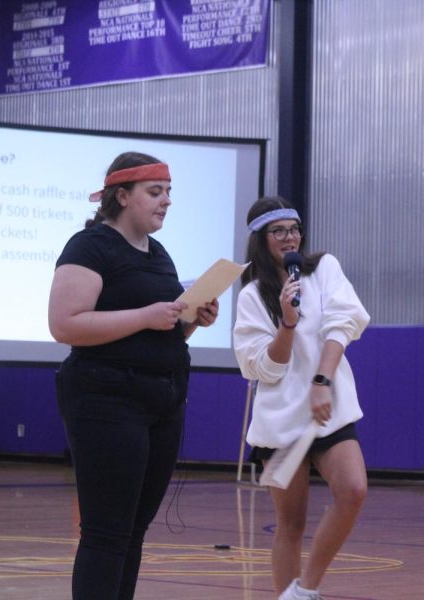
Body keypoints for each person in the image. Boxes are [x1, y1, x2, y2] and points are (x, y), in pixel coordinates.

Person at [47, 152, 219, 600]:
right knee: (106, 532)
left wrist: (194, 318)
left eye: (168, 193)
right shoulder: (89, 247)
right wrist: (145, 315)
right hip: (106, 400)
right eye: (155, 192)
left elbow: (166, 328)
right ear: (121, 196)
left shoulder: (158, 254)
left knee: (133, 532)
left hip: (159, 403)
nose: (166, 202)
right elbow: (65, 325)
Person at [232, 196, 370, 600]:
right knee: (290, 524)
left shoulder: (324, 269)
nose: (290, 237)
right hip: (281, 423)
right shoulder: (252, 297)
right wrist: (287, 324)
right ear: (261, 239)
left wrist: (322, 380)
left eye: (294, 229)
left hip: (327, 410)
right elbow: (264, 369)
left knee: (354, 491)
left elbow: (342, 325)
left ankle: (305, 589)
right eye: (279, 231)